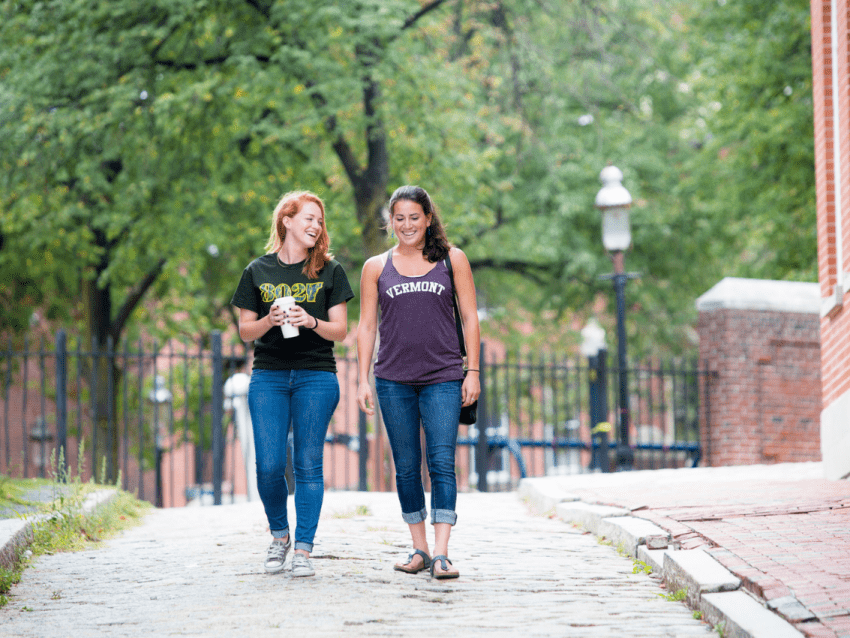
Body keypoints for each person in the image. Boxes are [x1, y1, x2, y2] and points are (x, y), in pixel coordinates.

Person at [356, 185, 480, 580]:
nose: (407, 225)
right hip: (393, 380)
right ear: (390, 222)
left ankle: (442, 552)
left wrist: (472, 371)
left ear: (428, 218)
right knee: (407, 468)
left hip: (443, 377)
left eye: (414, 217)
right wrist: (361, 379)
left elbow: (471, 319)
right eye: (399, 218)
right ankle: (420, 549)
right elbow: (365, 327)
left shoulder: (451, 260)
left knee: (442, 463)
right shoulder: (376, 267)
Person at [231, 190, 353, 577]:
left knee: (307, 463)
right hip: (269, 375)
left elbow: (341, 331)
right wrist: (270, 319)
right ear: (286, 220)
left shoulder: (330, 272)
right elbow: (245, 332)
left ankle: (303, 549)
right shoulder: (257, 271)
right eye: (309, 218)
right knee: (268, 465)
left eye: (320, 220)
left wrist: (310, 321)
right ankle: (279, 535)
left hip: (316, 375)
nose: (316, 225)